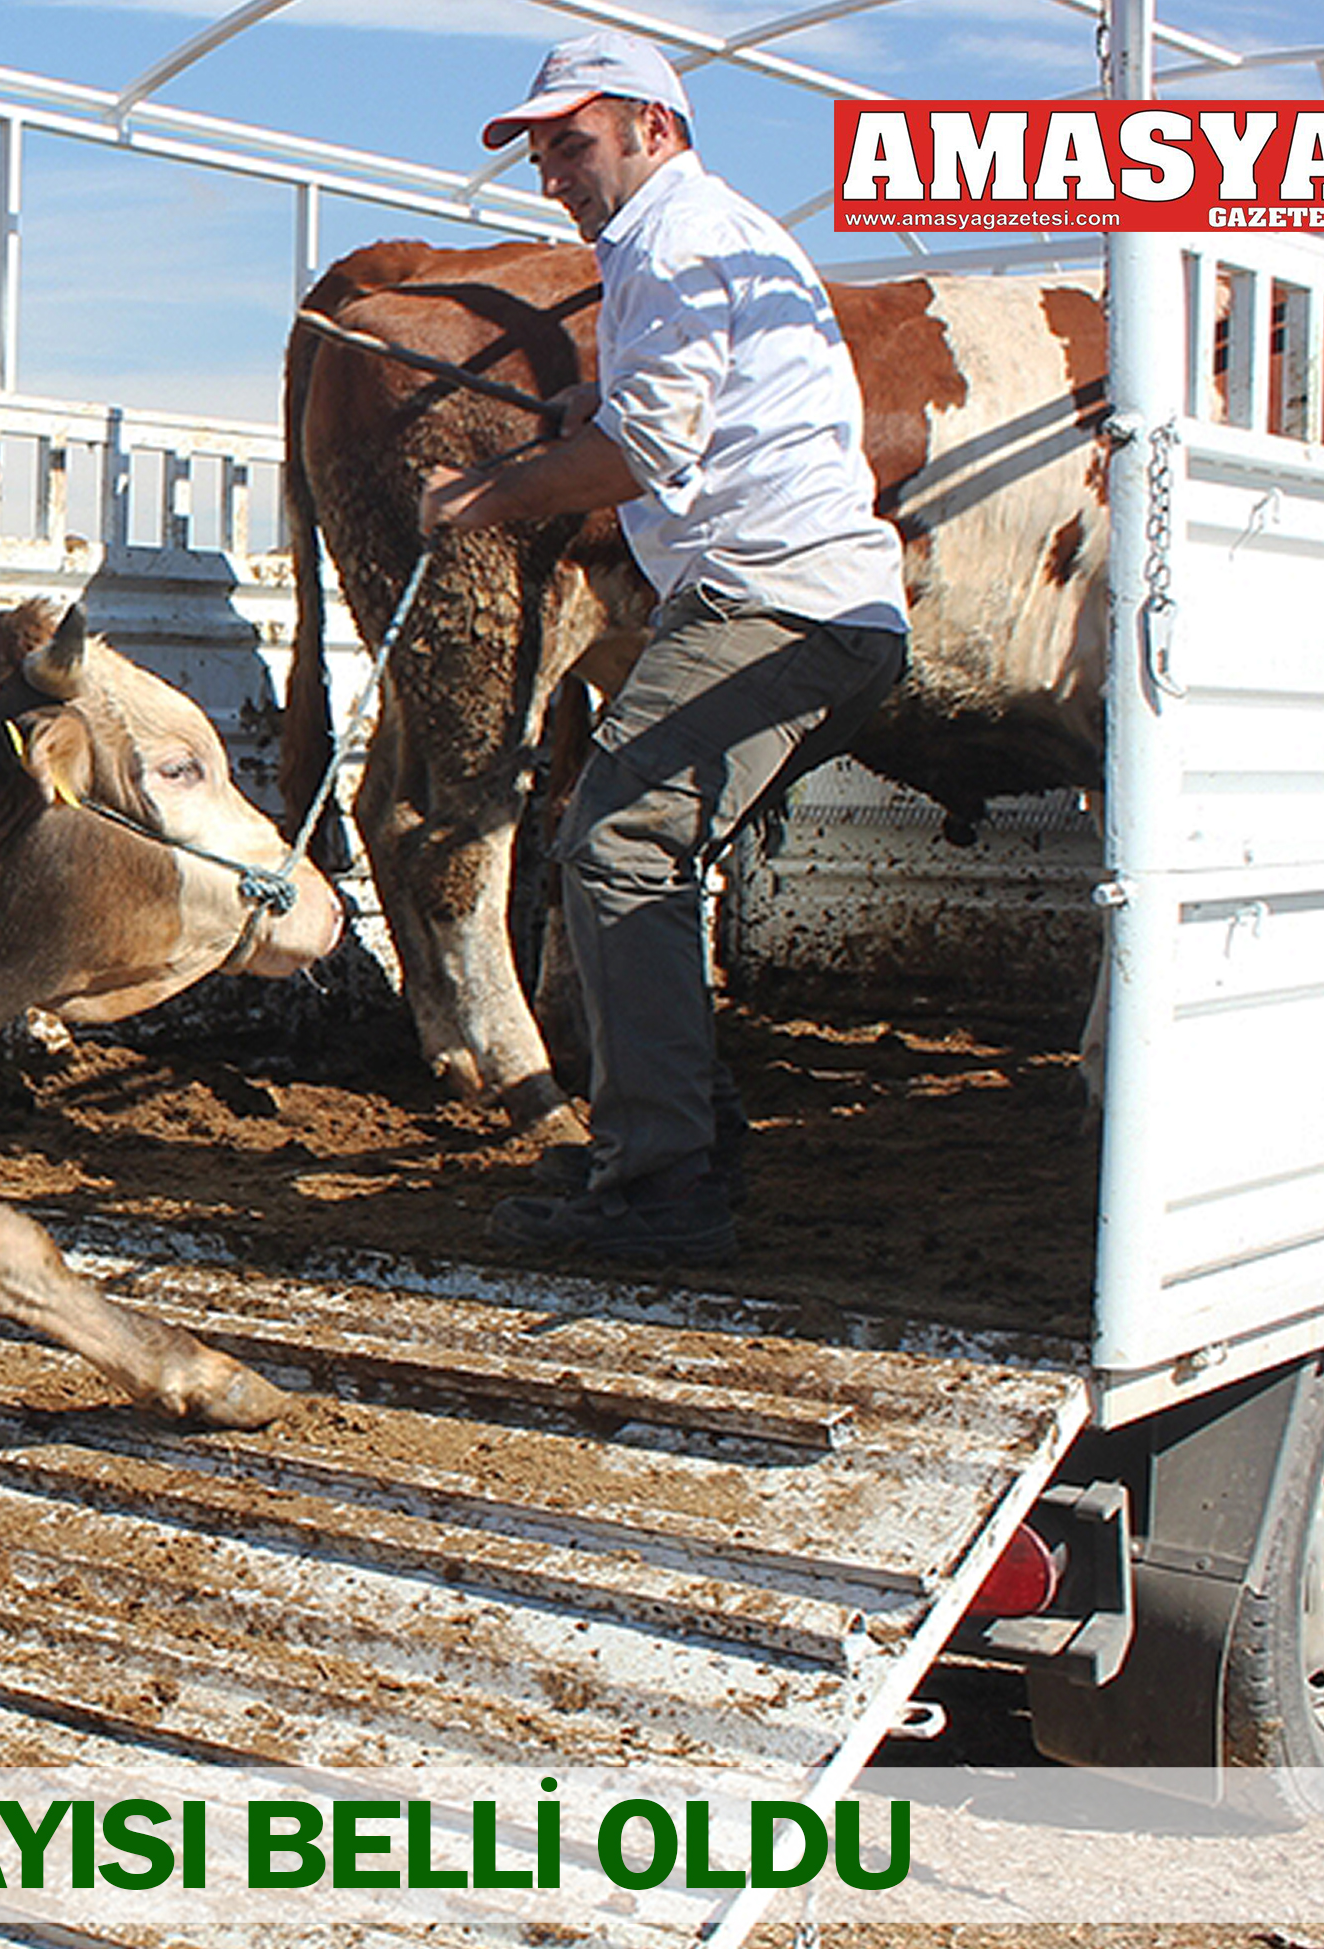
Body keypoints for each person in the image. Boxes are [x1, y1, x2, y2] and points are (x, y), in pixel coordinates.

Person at [418, 33, 909, 1265]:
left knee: (621, 840)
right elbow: (690, 411)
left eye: (571, 144)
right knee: (646, 847)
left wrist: (473, 496)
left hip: (773, 603)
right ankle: (684, 1135)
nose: (552, 174)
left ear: (657, 128)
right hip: (821, 610)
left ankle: (663, 1191)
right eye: (540, 153)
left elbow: (646, 453)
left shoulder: (675, 243)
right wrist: (596, 406)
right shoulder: (707, 237)